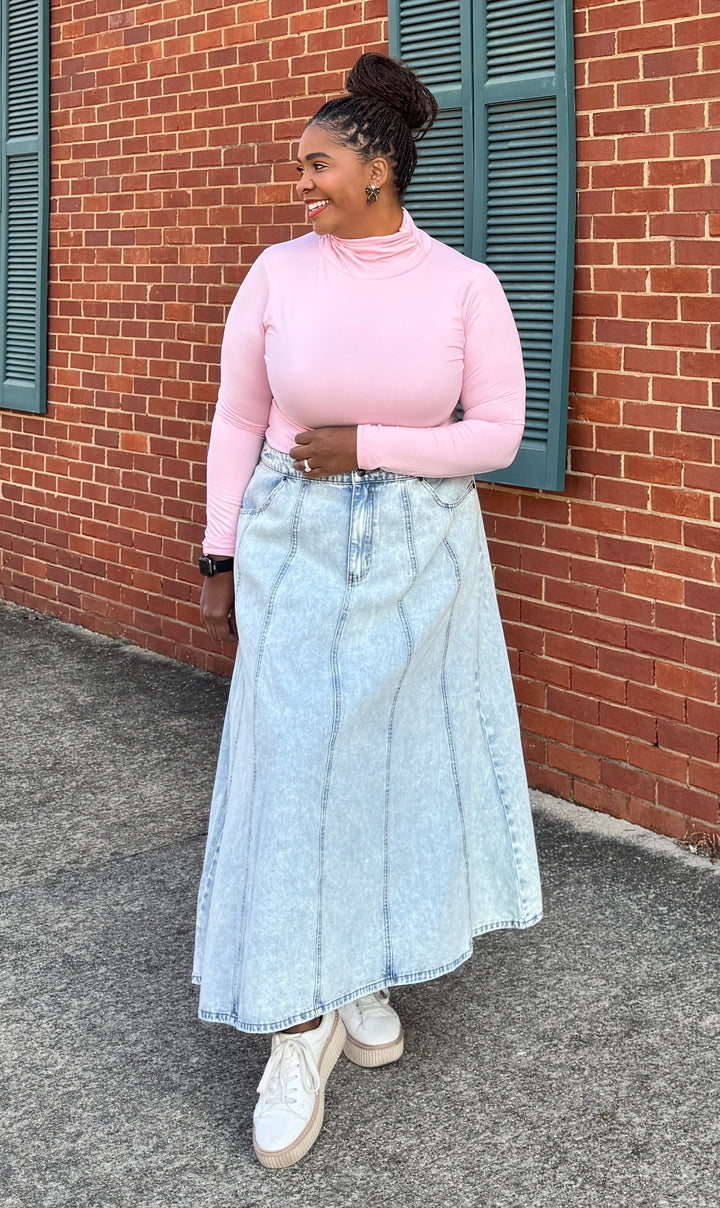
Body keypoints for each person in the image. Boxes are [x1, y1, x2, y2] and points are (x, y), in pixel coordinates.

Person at [194, 52, 542, 1170]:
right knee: (292, 764)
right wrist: (221, 545)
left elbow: (495, 432)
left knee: (393, 761)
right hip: (293, 539)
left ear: (380, 165)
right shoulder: (277, 274)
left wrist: (370, 448)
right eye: (300, 165)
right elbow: (237, 415)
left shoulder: (463, 286)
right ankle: (298, 1024)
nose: (300, 182)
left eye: (318, 163)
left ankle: (361, 966)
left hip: (423, 551)